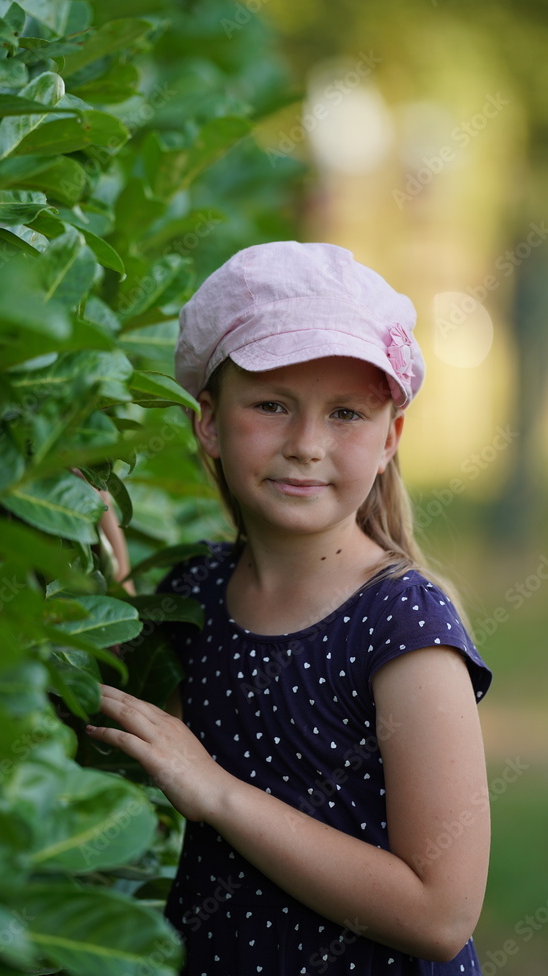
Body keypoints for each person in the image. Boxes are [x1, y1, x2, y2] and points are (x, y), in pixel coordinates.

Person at [85, 241, 493, 975]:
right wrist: (98, 588)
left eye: (345, 414)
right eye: (271, 406)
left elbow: (441, 914)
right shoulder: (196, 591)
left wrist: (215, 793)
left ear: (388, 440)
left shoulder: (403, 625)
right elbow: (143, 724)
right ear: (207, 421)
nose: (306, 445)